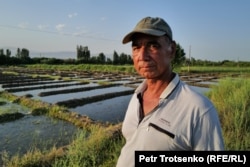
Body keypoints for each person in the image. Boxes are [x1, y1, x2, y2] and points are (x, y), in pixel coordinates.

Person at [116, 16, 224, 167]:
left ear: (172, 50)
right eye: (136, 48)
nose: (142, 56)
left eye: (153, 46)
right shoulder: (137, 96)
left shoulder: (199, 110)